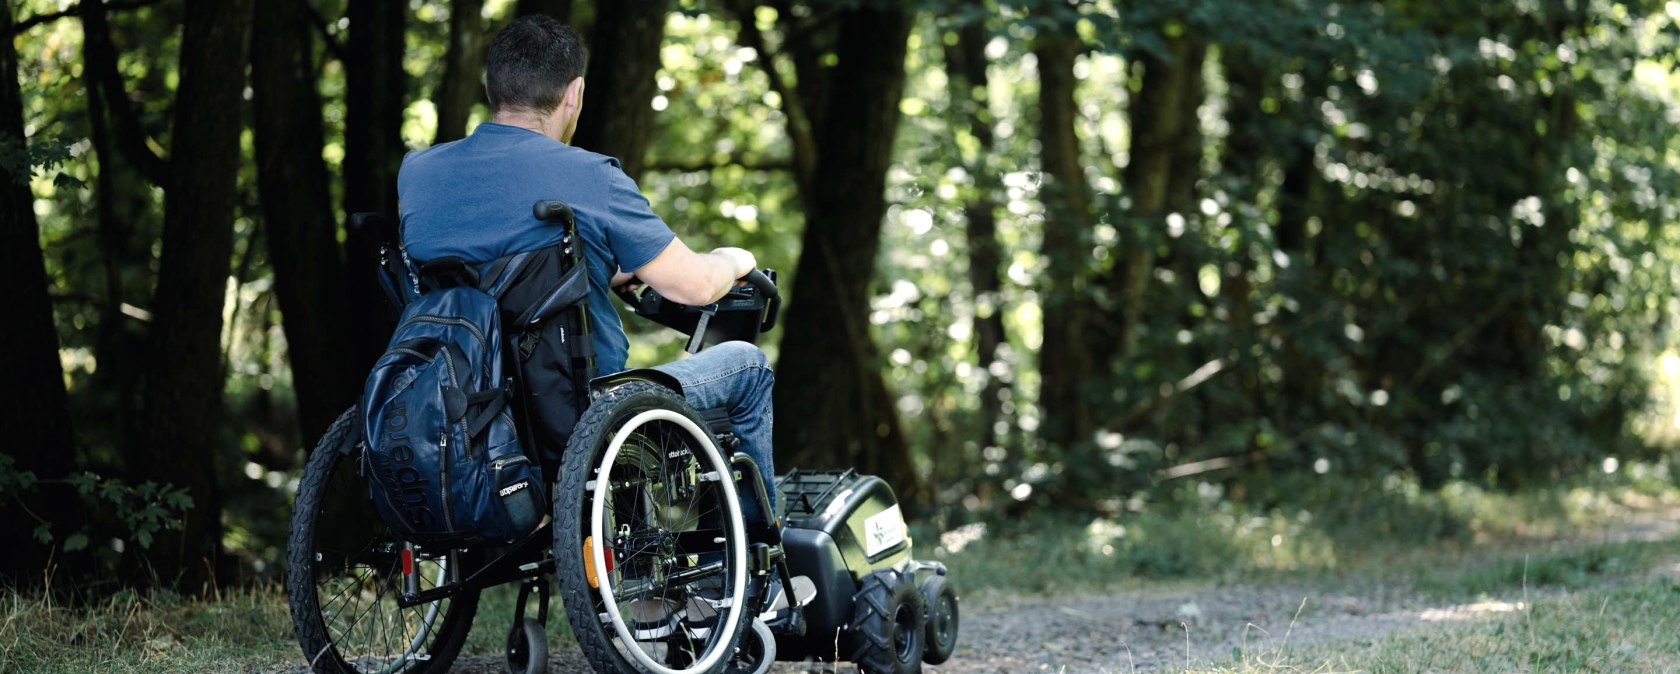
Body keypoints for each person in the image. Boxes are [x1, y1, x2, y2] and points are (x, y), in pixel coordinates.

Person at [396, 16, 779, 528]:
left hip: (460, 404)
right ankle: (758, 562)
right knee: (748, 366)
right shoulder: (588, 176)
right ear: (573, 93)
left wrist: (596, 268)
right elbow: (694, 285)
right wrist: (735, 259)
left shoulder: (418, 173)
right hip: (577, 408)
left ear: (491, 86)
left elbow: (494, 264)